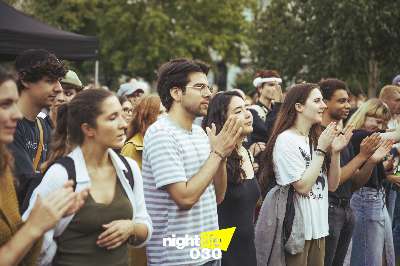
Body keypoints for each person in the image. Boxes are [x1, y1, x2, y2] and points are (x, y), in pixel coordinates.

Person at [23, 89, 152, 266]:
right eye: (112, 118)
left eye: (122, 115)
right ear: (88, 129)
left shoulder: (128, 169)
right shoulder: (61, 175)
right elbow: (31, 240)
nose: (124, 124)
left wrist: (131, 228)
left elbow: (144, 224)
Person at [142, 58, 242, 266]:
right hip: (177, 258)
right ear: (176, 93)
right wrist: (217, 153)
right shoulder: (161, 133)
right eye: (199, 87)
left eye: (208, 87)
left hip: (209, 251)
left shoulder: (200, 133)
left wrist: (221, 157)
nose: (208, 93)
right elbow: (185, 198)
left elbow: (218, 197)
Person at [255, 83, 351, 266]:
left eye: (322, 100)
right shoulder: (286, 140)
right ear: (298, 107)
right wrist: (322, 149)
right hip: (297, 232)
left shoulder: (314, 138)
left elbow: (331, 185)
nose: (323, 105)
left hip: (320, 228)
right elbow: (303, 187)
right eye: (317, 100)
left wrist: (336, 152)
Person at [0, 66, 87, 266]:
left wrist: (52, 215)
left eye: (14, 103)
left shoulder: (4, 166)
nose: (16, 114)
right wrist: (34, 226)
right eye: (5, 105)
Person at [319, 79, 387, 266]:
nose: (348, 105)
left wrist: (371, 161)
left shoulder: (343, 136)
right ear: (325, 103)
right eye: (341, 101)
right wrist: (362, 156)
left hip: (346, 207)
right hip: (328, 210)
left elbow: (354, 183)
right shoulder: (320, 136)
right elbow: (335, 180)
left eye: (348, 100)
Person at [202, 91, 260, 266]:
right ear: (222, 119)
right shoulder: (211, 154)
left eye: (246, 108)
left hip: (247, 247)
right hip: (220, 249)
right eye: (238, 111)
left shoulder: (246, 153)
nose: (248, 114)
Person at [7, 49, 67, 211]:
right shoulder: (8, 127)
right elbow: (26, 181)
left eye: (59, 81)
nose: (58, 88)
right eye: (50, 81)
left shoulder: (43, 126)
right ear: (25, 80)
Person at [346, 99, 398, 266]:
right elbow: (396, 135)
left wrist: (386, 168)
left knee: (382, 255)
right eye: (376, 120)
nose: (379, 125)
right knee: (368, 256)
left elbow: (373, 172)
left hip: (375, 198)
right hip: (365, 200)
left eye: (382, 122)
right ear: (364, 115)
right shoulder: (358, 134)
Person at [121, 94, 164, 266]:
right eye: (160, 112)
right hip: (142, 228)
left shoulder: (164, 141)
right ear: (147, 116)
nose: (165, 117)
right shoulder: (132, 148)